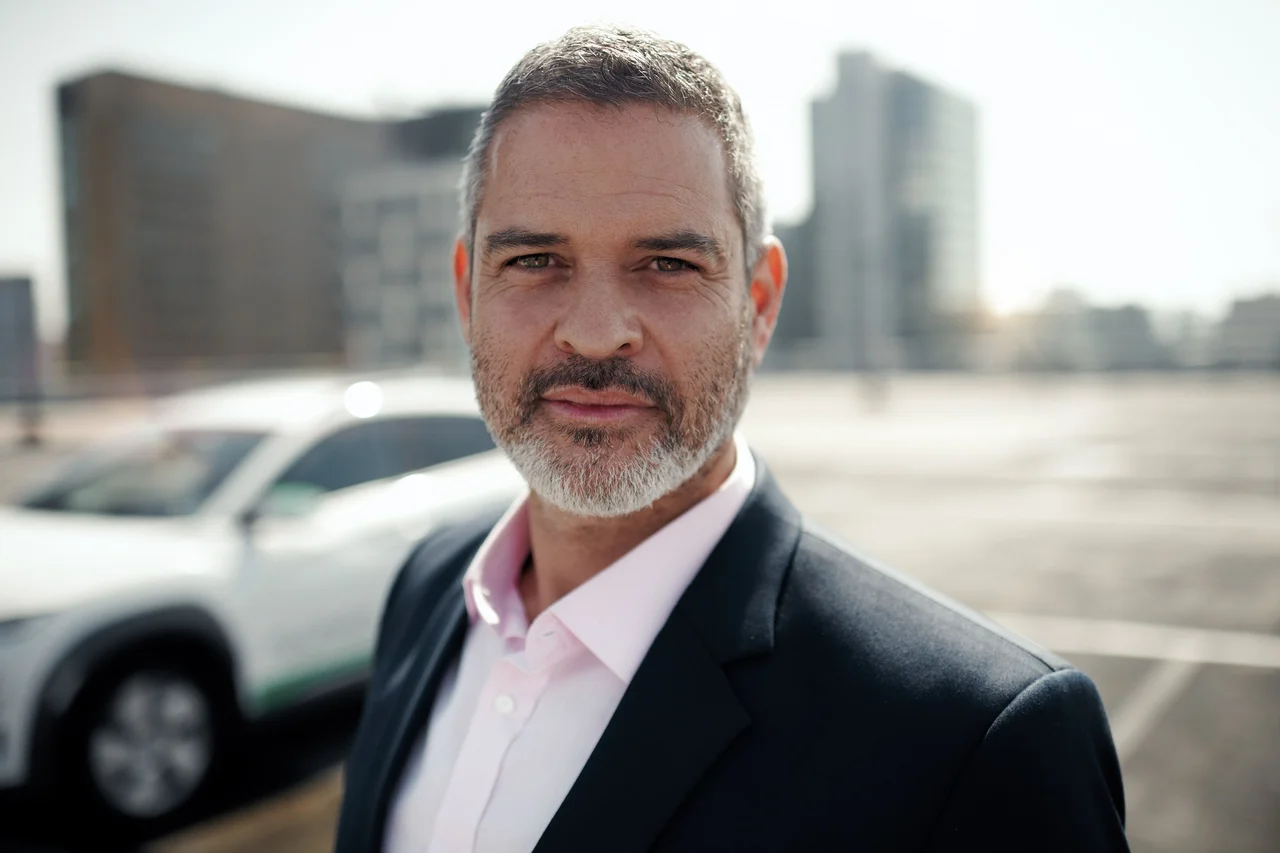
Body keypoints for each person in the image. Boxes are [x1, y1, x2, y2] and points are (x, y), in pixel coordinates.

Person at [335, 24, 1128, 853]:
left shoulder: (977, 737)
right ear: (468, 294)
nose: (598, 332)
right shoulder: (425, 590)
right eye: (535, 260)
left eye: (668, 265)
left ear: (758, 303)